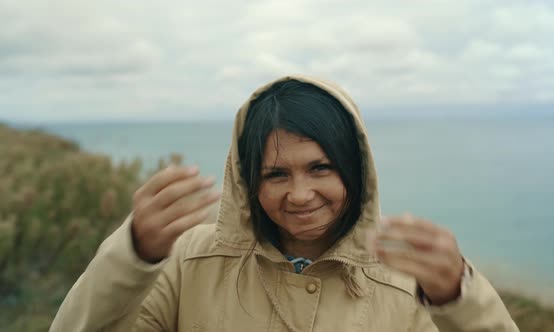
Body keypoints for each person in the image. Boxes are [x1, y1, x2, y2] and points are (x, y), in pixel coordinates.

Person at [50, 75, 519, 331]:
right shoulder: (190, 260)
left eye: (320, 168)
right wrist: (134, 256)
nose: (299, 195)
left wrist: (460, 300)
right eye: (275, 174)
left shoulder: (412, 280)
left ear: (355, 170)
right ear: (248, 182)